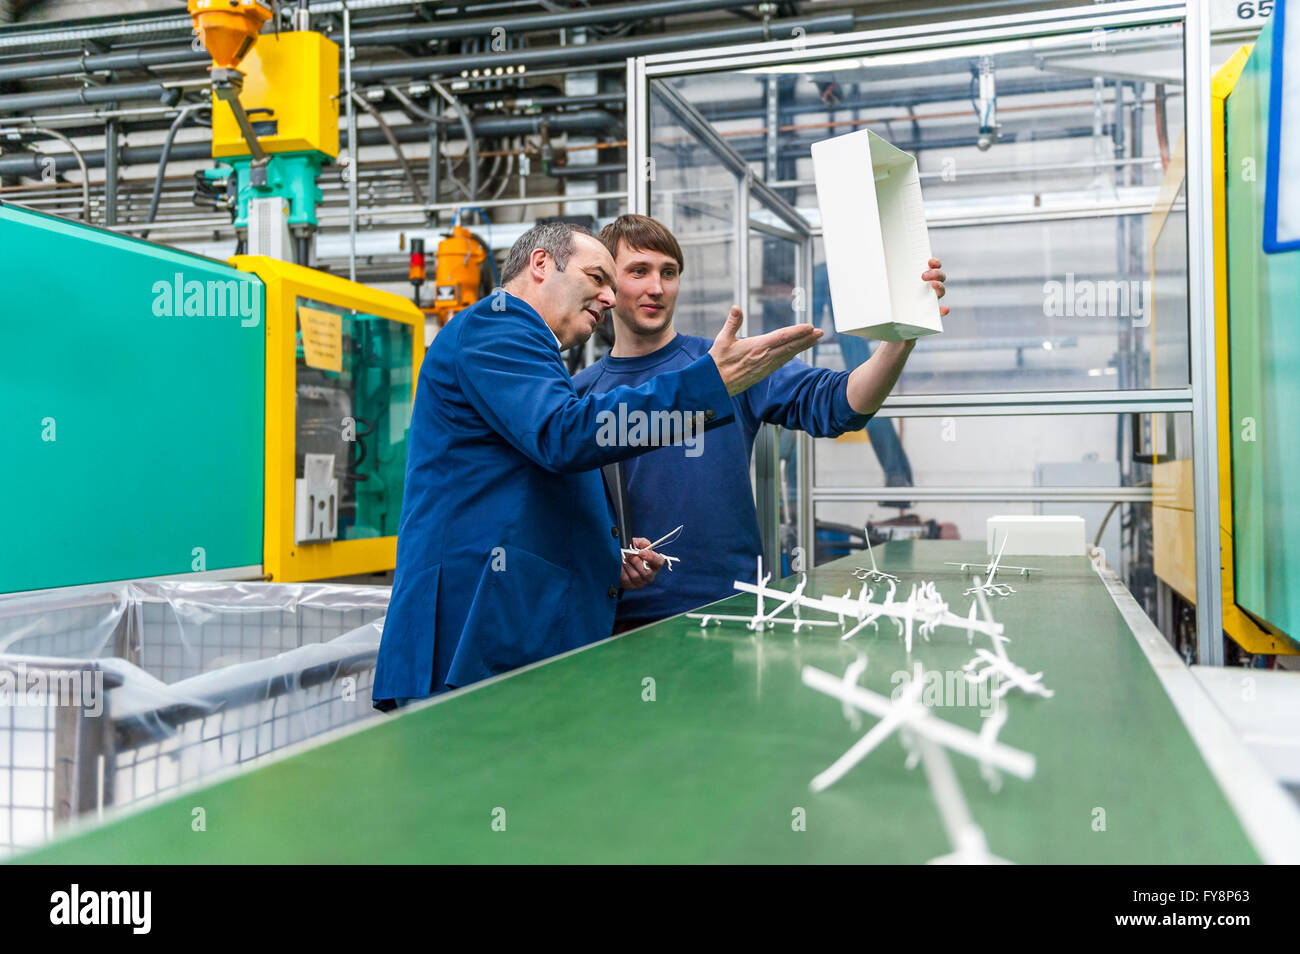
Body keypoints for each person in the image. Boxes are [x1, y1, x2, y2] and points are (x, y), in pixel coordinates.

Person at [373, 222, 824, 707]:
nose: (610, 298)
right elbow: (565, 436)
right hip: (465, 637)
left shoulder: (536, 360)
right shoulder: (498, 326)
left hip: (503, 636)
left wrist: (607, 559)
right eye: (598, 278)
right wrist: (706, 386)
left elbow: (530, 486)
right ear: (541, 264)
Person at [572, 214, 949, 630]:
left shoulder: (729, 364)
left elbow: (843, 405)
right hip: (625, 622)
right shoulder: (580, 395)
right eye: (638, 271)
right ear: (606, 286)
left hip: (735, 609)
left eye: (669, 272)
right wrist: (610, 562)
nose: (657, 288)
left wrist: (901, 339)